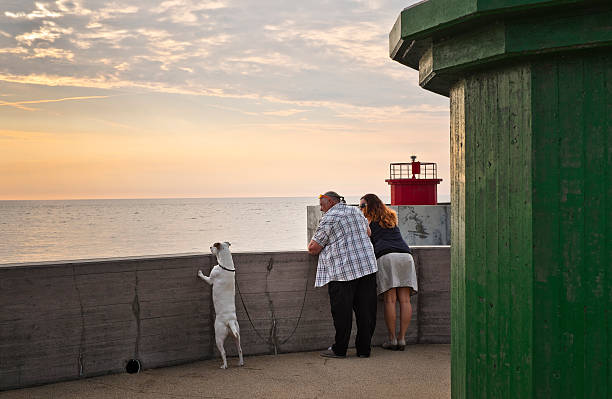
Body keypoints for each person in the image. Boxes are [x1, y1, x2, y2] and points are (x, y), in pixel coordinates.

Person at [308, 191, 378, 358]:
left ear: (331, 202)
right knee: (365, 312)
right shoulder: (355, 211)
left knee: (342, 313)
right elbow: (368, 233)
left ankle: (340, 349)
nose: (320, 208)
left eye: (322, 204)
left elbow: (313, 248)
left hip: (343, 271)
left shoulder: (330, 217)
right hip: (366, 266)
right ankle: (364, 349)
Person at [359, 193, 418, 351]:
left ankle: (392, 339)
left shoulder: (368, 221)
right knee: (405, 300)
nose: (360, 209)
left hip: (387, 256)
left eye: (362, 205)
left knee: (390, 300)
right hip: (406, 256)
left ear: (369, 206)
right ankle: (402, 339)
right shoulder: (390, 217)